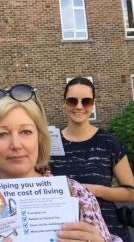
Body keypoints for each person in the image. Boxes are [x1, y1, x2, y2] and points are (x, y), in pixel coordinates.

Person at [0, 84, 122, 242]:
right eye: (2, 134)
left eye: (26, 131)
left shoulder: (77, 196)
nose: (16, 145)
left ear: (40, 137)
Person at [50, 77, 134, 242]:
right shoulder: (50, 143)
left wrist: (89, 190)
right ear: (64, 103)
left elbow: (131, 192)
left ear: (93, 103)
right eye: (73, 101)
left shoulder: (109, 142)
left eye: (86, 101)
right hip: (64, 233)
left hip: (108, 233)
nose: (79, 107)